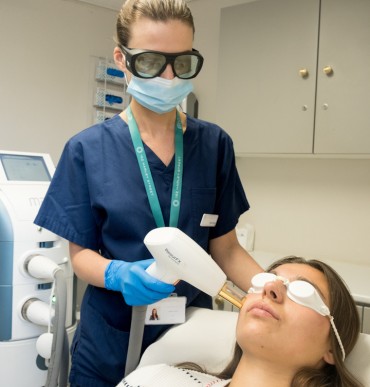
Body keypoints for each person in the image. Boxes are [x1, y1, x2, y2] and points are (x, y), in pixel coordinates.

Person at [34, 0, 262, 385]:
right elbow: (80, 257)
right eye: (152, 62)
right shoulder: (87, 150)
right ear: (122, 59)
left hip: (188, 334)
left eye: (182, 62)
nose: (169, 76)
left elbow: (226, 249)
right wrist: (119, 273)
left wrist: (271, 286)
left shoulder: (214, 144)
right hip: (110, 338)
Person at [119, 256, 362, 387]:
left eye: (302, 291)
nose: (270, 288)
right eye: (265, 279)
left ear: (332, 347)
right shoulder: (153, 379)